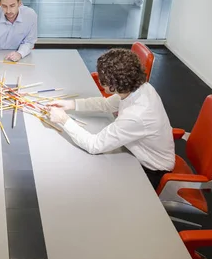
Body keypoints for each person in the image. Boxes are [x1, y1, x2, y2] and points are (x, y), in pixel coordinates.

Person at [47, 48, 175, 189]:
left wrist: (64, 120)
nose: (100, 80)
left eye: (103, 79)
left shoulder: (136, 115)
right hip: (133, 153)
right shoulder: (140, 88)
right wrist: (72, 104)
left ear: (113, 86)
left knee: (89, 183)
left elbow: (93, 145)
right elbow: (107, 104)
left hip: (151, 170)